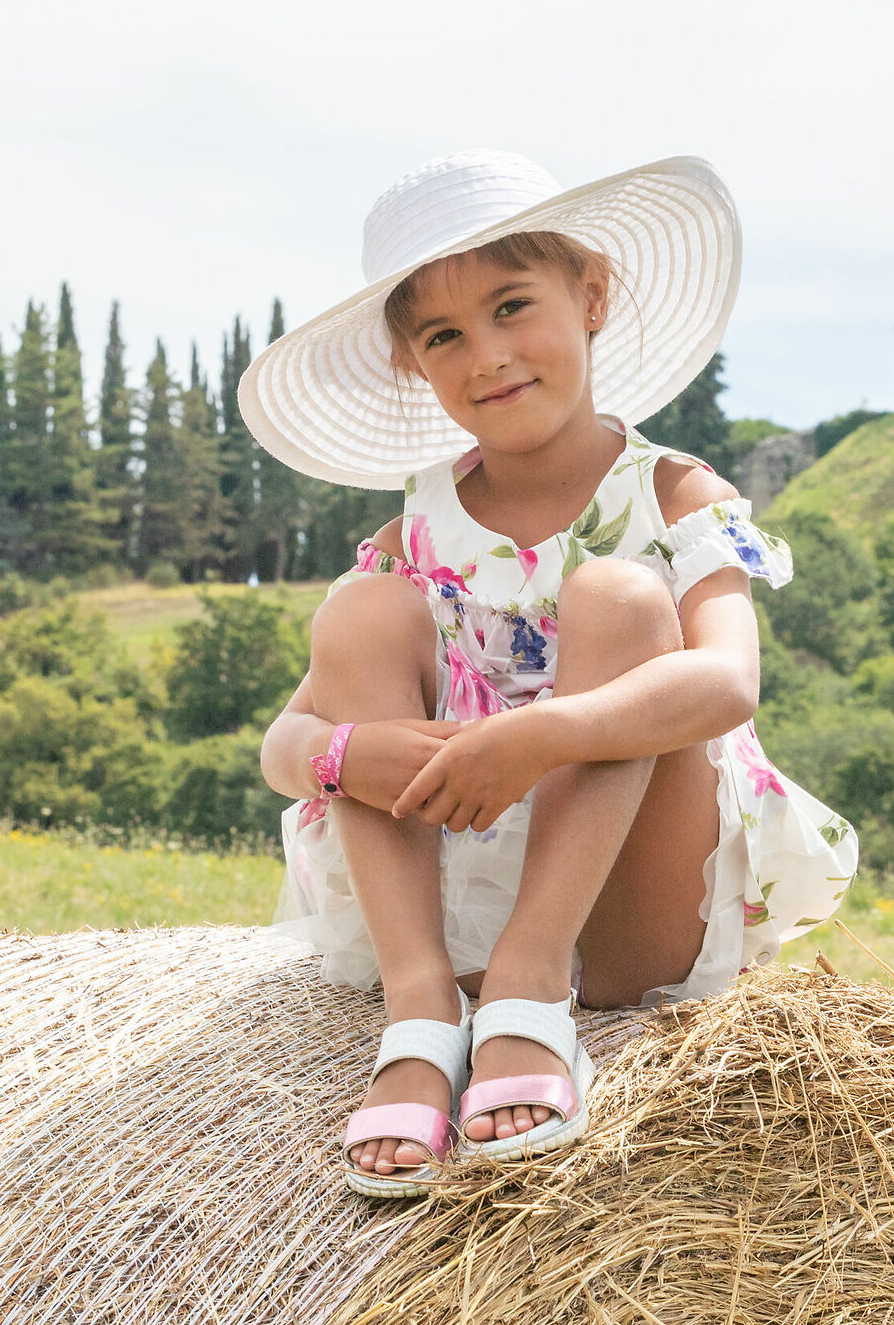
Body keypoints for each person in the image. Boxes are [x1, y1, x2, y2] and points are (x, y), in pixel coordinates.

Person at [242, 150, 857, 1198]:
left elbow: (727, 684)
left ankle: (533, 990)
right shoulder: (415, 528)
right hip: (454, 902)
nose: (487, 354)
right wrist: (350, 751)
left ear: (592, 298)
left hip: (627, 903)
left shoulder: (668, 490)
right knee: (358, 613)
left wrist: (546, 732)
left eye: (513, 306)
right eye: (444, 335)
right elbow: (280, 749)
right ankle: (424, 1003)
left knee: (618, 597)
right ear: (415, 366)